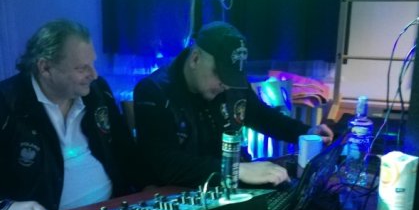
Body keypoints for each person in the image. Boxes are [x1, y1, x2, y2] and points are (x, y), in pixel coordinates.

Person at [0, 19, 144, 210]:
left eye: (92, 64)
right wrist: (5, 208)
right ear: (45, 67)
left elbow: (126, 153)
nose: (94, 75)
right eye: (81, 68)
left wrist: (147, 188)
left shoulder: (97, 92)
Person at [133, 21, 334, 188]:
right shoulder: (153, 90)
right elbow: (165, 163)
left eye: (232, 76)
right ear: (195, 59)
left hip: (227, 184)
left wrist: (306, 131)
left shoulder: (230, 85)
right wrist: (234, 169)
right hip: (180, 190)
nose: (226, 85)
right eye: (221, 75)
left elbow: (262, 116)